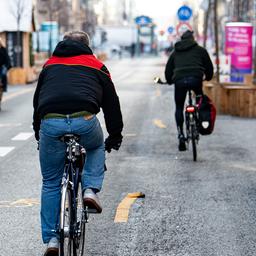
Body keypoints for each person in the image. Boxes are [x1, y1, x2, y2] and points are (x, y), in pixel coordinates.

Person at [33, 31, 123, 256]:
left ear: (63, 44)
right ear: (87, 46)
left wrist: (39, 132)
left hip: (51, 122)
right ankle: (90, 189)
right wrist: (115, 135)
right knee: (95, 146)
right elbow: (112, 103)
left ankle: (52, 240)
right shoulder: (97, 66)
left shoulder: (49, 65)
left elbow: (38, 102)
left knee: (51, 182)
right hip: (84, 120)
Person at [164, 30, 213, 151]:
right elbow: (209, 66)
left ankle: (181, 134)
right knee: (201, 102)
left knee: (179, 107)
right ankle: (201, 123)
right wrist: (208, 77)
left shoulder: (175, 52)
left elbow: (168, 70)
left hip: (179, 81)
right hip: (196, 79)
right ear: (192, 38)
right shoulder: (200, 50)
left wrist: (170, 80)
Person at [0, 38, 11, 110]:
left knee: (3, 75)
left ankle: (3, 86)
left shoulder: (3, 50)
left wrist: (6, 67)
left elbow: (8, 62)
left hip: (1, 68)